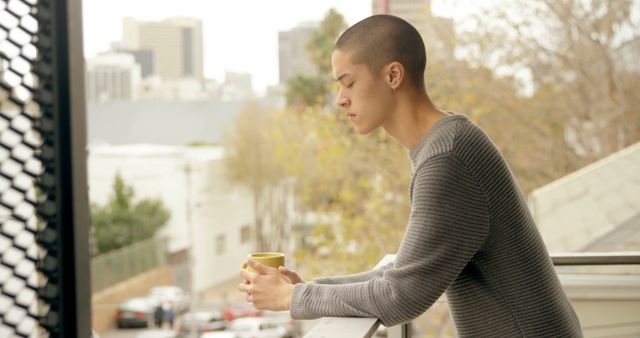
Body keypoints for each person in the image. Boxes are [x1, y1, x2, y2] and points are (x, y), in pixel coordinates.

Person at [238, 14, 583, 337]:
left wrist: (293, 299)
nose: (339, 100)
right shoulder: (448, 142)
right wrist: (307, 288)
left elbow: (400, 296)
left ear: (392, 76)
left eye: (349, 83)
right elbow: (403, 272)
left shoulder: (448, 159)